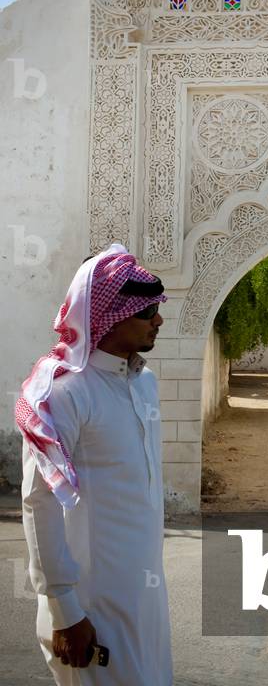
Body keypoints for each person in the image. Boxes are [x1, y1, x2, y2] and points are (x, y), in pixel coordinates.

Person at [16, 243, 173, 684]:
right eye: (147, 313)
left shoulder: (144, 384)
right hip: (89, 603)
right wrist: (64, 609)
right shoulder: (64, 393)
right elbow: (39, 503)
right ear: (108, 316)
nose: (158, 321)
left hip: (143, 598)